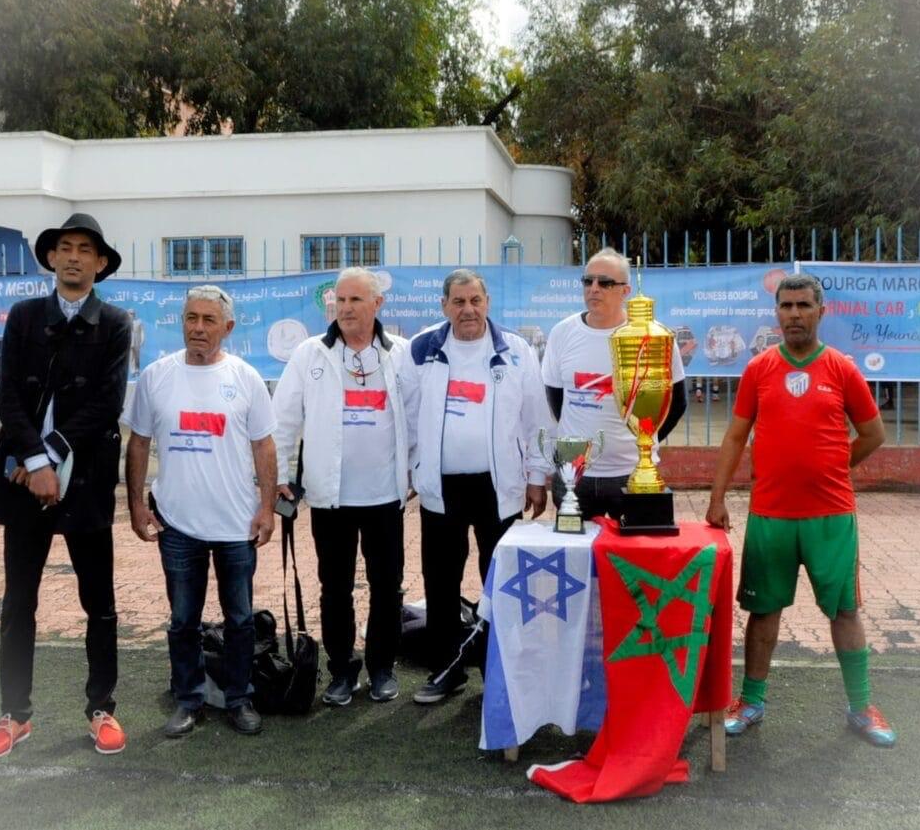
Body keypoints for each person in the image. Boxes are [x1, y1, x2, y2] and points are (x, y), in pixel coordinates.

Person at [705, 272, 894, 747]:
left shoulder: (841, 369)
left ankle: (861, 706)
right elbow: (735, 435)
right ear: (777, 312)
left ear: (820, 311)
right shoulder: (759, 369)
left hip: (831, 516)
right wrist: (716, 497)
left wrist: (835, 465)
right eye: (786, 306)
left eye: (803, 306)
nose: (793, 314)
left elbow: (873, 434)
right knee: (763, 611)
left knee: (845, 611)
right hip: (770, 514)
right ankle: (750, 701)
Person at [0, 213, 131, 760]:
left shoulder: (114, 323)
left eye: (84, 249)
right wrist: (31, 457)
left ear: (101, 263)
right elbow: (9, 397)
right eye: (64, 247)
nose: (73, 256)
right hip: (23, 477)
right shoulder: (22, 317)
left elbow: (106, 405)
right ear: (51, 258)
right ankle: (14, 715)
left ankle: (102, 708)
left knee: (101, 602)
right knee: (19, 602)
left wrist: (52, 455)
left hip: (83, 480)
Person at [125, 284, 277, 738]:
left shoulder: (246, 378)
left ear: (227, 328)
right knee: (182, 619)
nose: (198, 327)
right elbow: (139, 442)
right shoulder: (156, 376)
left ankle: (239, 698)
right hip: (178, 524)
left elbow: (264, 446)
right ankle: (188, 699)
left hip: (235, 524)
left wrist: (267, 508)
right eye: (191, 318)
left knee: (241, 619)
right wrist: (135, 504)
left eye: (209, 320)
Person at [398, 268, 553, 705]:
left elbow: (536, 419)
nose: (468, 310)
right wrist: (414, 466)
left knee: (500, 580)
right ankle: (447, 671)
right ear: (444, 306)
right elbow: (406, 416)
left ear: (487, 303)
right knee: (441, 581)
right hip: (440, 489)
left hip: (499, 487)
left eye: (475, 301)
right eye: (458, 302)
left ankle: (499, 671)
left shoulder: (517, 351)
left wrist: (537, 478)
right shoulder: (421, 349)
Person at [272, 267, 409, 706]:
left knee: (387, 587)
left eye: (355, 300)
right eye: (340, 301)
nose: (346, 308)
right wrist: (279, 476)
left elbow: (419, 419)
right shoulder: (310, 354)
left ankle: (382, 668)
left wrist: (414, 473)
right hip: (331, 498)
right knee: (336, 588)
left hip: (386, 496)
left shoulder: (401, 354)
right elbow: (284, 421)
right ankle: (341, 671)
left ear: (377, 304)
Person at [541, 248, 687, 521]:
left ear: (626, 291)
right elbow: (555, 400)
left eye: (605, 283)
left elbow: (676, 402)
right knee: (577, 560)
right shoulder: (563, 333)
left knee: (634, 560)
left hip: (632, 472)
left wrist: (646, 438)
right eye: (588, 281)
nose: (594, 288)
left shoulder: (653, 336)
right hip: (576, 475)